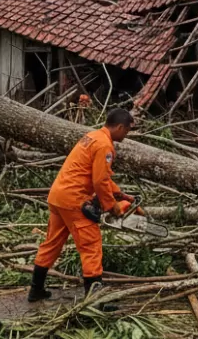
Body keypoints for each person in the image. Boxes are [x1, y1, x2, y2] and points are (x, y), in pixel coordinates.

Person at [29, 109, 136, 303]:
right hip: (75, 200)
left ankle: (36, 289)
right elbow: (100, 181)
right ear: (120, 127)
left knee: (51, 243)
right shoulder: (105, 146)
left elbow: (94, 174)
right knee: (91, 246)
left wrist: (120, 193)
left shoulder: (92, 136)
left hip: (59, 195)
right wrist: (113, 206)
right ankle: (94, 299)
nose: (126, 136)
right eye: (127, 131)